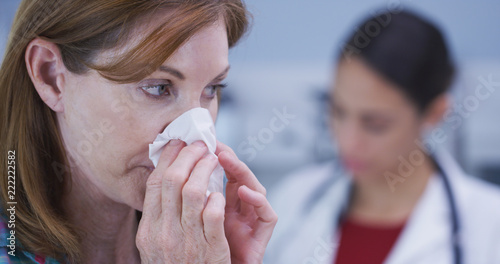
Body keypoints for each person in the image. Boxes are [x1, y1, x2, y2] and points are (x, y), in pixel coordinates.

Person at [0, 0, 277, 263]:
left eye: (211, 89)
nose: (198, 138)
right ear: (51, 76)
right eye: (158, 88)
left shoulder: (200, 246)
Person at [266, 10, 500, 264]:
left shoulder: (489, 225)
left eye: (376, 125)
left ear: (434, 113)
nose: (348, 141)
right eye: (338, 112)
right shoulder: (292, 201)